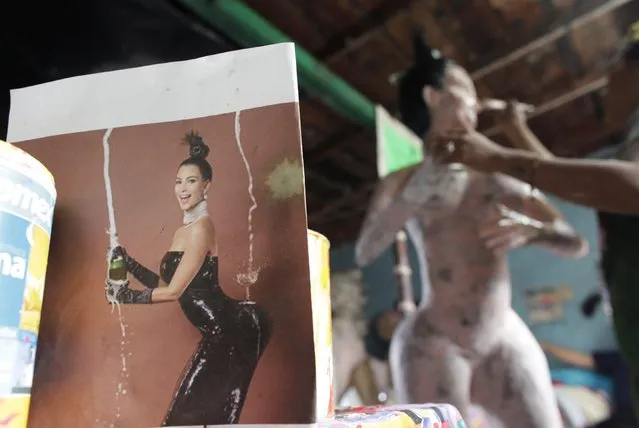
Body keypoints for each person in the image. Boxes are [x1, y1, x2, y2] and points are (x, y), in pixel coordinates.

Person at [356, 32, 588, 427]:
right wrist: (419, 190)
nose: (477, 101)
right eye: (466, 88)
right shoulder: (400, 182)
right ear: (432, 97)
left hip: (502, 334)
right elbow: (364, 251)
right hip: (436, 339)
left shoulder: (495, 170)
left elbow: (575, 242)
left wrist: (534, 230)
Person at [104, 131, 272, 426]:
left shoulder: (201, 230)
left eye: (191, 181)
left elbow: (173, 293)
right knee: (194, 416)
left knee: (189, 415)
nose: (182, 189)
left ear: (206, 185)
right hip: (219, 330)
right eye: (178, 182)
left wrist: (126, 296)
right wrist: (129, 264)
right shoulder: (182, 232)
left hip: (231, 330)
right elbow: (170, 286)